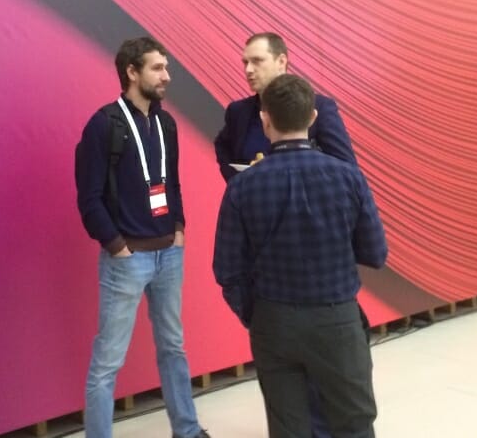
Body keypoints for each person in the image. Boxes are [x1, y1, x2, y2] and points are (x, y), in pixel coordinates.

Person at [213, 74, 388, 438]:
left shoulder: (242, 186)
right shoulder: (348, 177)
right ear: (312, 118)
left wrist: (255, 315)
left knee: (287, 428)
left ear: (265, 120)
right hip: (336, 317)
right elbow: (375, 253)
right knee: (354, 423)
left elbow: (227, 269)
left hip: (273, 320)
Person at [75, 37, 210, 438]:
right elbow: (88, 198)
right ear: (132, 72)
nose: (167, 76)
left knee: (173, 346)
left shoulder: (166, 123)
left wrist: (179, 228)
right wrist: (117, 246)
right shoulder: (103, 124)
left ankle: (187, 431)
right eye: (158, 68)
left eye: (166, 67)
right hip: (127, 259)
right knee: (107, 361)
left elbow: (173, 183)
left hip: (169, 253)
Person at [214, 32, 356, 180]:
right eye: (245, 62)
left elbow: (347, 167)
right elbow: (223, 148)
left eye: (257, 61)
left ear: (281, 61)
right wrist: (239, 182)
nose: (248, 69)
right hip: (255, 193)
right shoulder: (238, 111)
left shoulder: (320, 107)